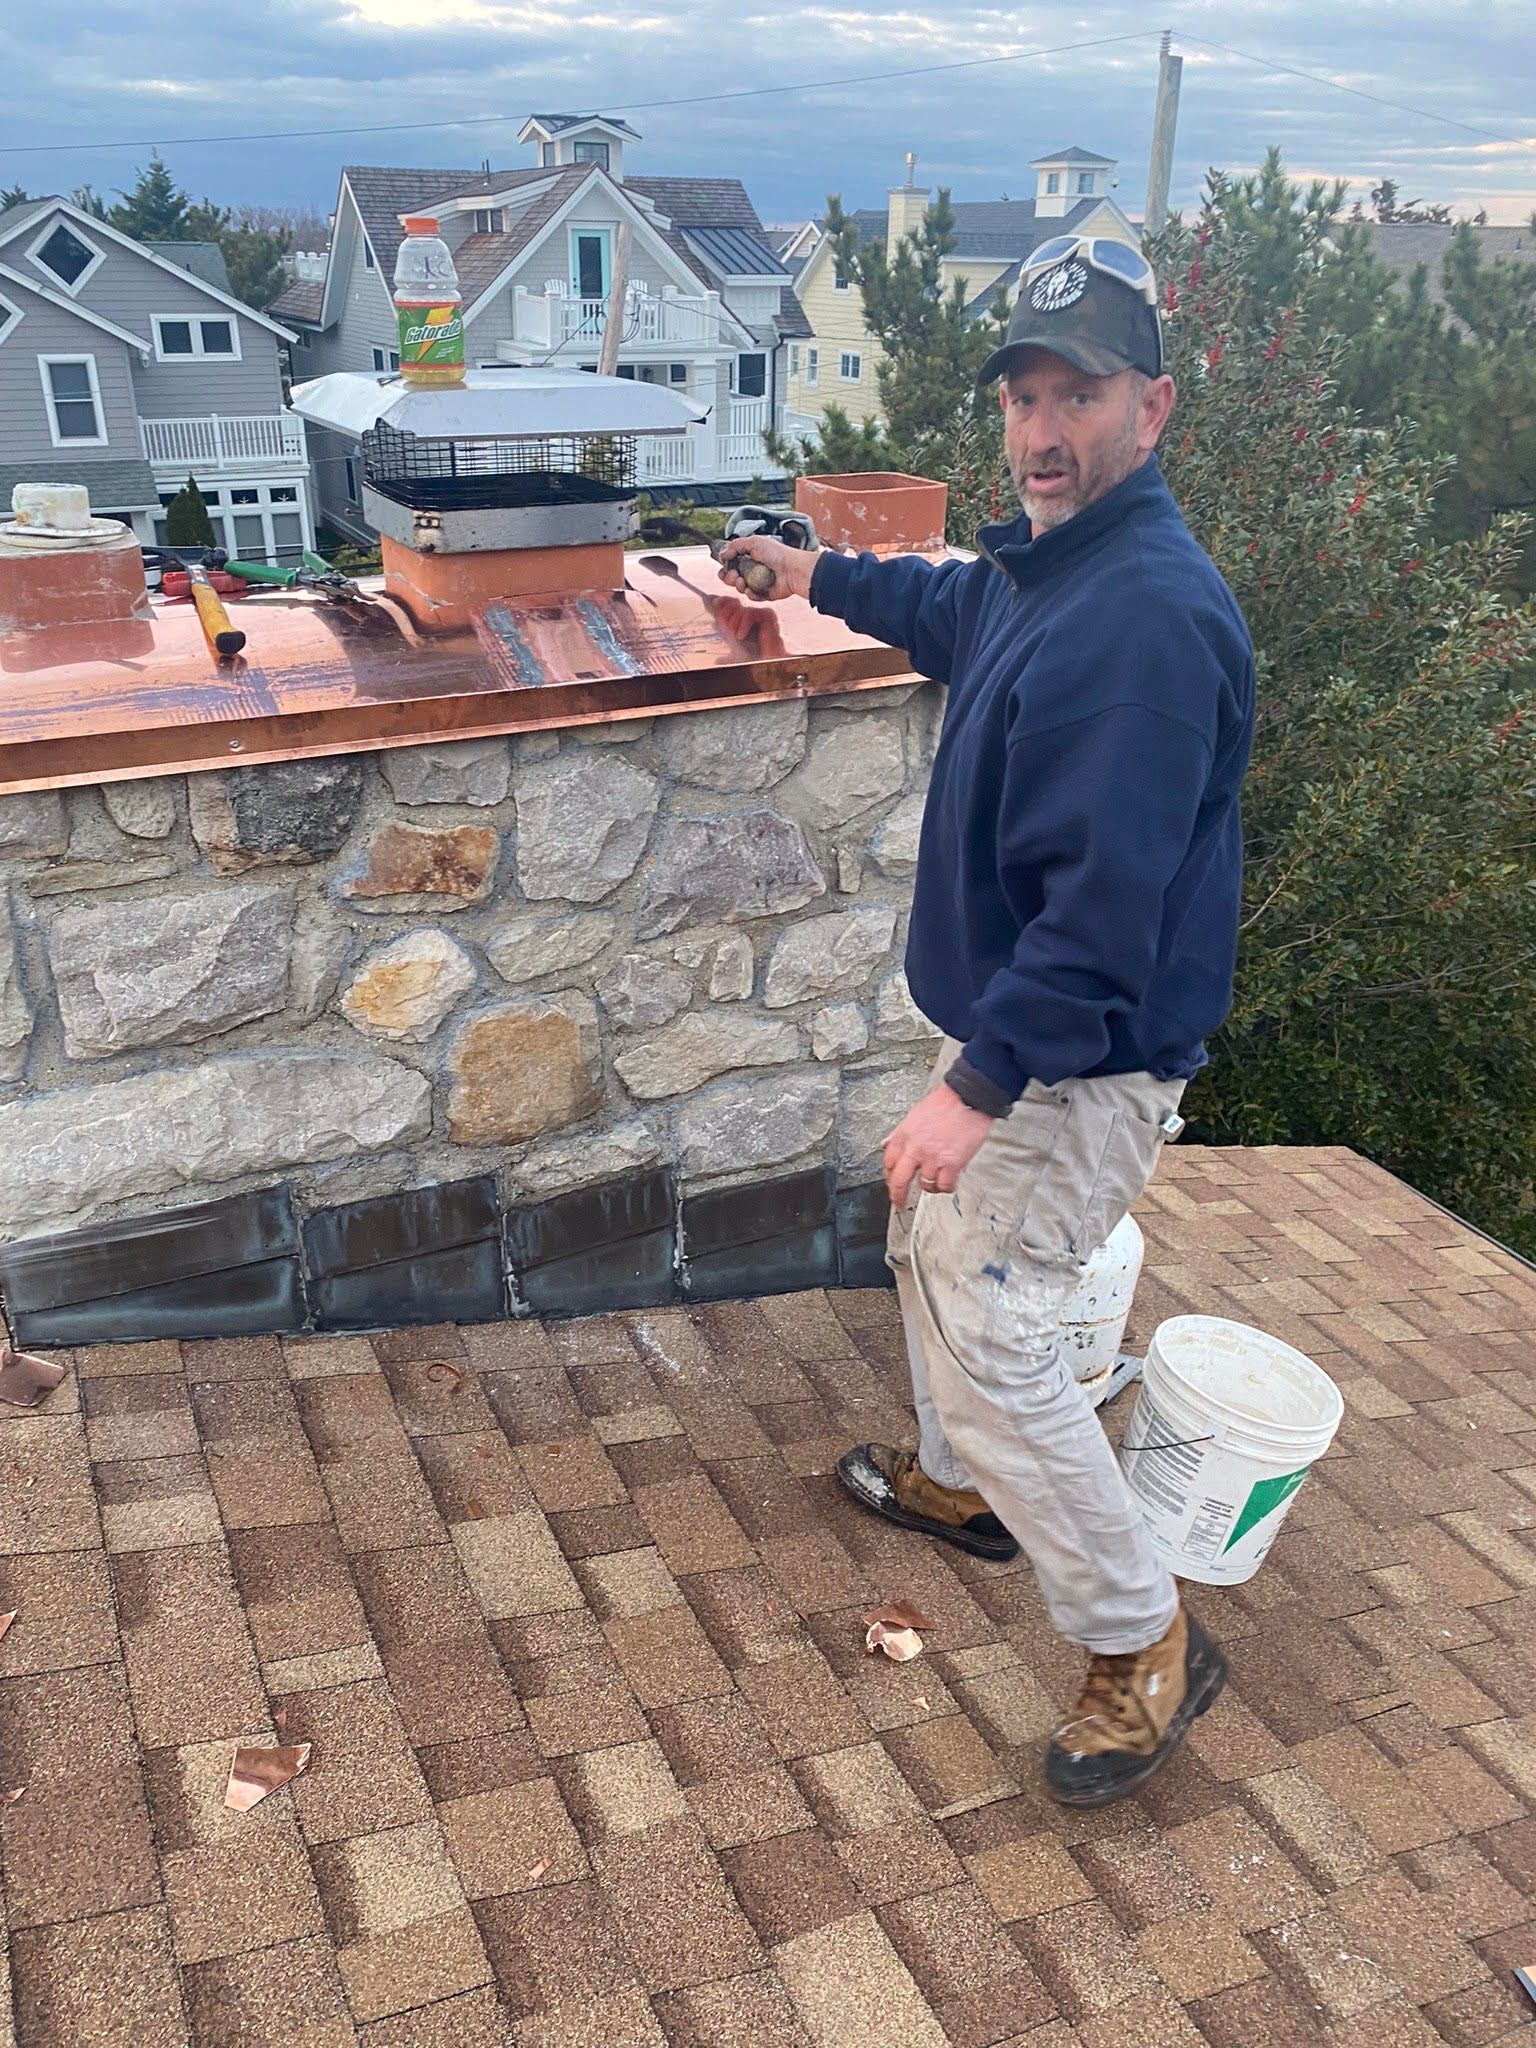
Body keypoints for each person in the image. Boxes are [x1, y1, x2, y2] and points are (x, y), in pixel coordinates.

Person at [719, 237, 1255, 1809]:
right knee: (937, 1257)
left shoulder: (1145, 622)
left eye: (1076, 393)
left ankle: (1136, 1640)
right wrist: (811, 572)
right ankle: (964, 1490)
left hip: (1074, 1066)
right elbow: (955, 609)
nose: (1040, 429)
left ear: (1149, 407)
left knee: (1001, 1335)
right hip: (1029, 1046)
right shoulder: (1056, 570)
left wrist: (979, 1084)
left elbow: (1104, 911)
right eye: (1023, 394)